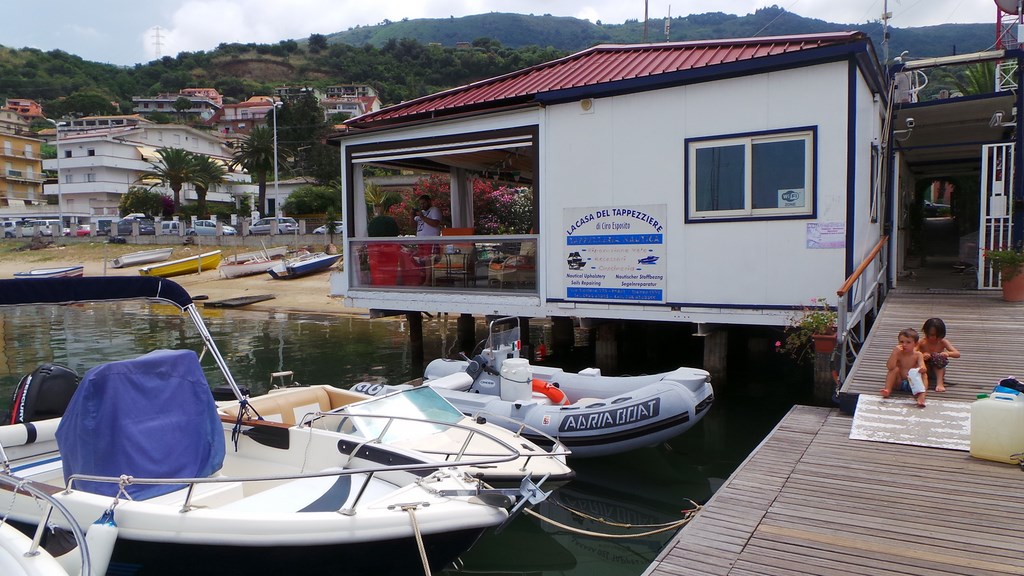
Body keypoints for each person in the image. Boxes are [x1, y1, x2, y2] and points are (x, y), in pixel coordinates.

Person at [880, 327, 928, 407]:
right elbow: (890, 367)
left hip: (912, 383)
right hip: (899, 382)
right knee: (894, 369)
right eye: (901, 342)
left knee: (924, 375)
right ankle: (887, 390)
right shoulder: (898, 354)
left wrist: (922, 368)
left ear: (915, 344)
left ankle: (922, 395)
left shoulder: (918, 354)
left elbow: (922, 366)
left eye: (908, 342)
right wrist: (894, 353)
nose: (904, 345)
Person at [917, 317, 960, 393]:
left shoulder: (943, 342)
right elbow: (912, 352)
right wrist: (922, 355)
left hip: (937, 370)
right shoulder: (922, 342)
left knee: (937, 357)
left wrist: (947, 353)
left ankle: (939, 383)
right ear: (926, 333)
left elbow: (957, 354)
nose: (935, 338)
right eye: (932, 335)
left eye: (939, 335)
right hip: (924, 369)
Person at [412, 194, 442, 264]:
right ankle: (423, 274)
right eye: (420, 204)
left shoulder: (434, 210)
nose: (422, 205)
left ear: (429, 201)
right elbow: (413, 226)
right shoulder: (421, 213)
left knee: (429, 259)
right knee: (421, 260)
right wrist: (412, 215)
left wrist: (422, 217)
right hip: (420, 241)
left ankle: (429, 275)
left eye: (424, 203)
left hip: (430, 241)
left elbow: (435, 223)